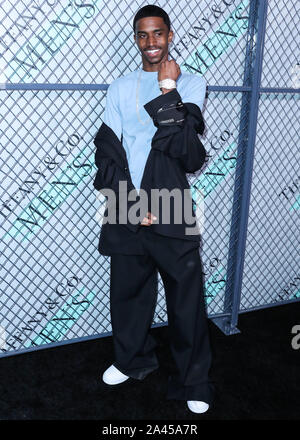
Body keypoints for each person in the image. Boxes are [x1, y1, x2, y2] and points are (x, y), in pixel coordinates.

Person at [93, 4, 214, 414]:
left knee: (186, 300)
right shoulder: (119, 88)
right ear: (136, 38)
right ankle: (131, 359)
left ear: (170, 35)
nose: (151, 43)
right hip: (129, 205)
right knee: (128, 293)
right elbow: (108, 152)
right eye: (143, 35)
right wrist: (129, 204)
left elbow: (184, 151)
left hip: (172, 204)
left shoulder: (192, 84)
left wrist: (168, 89)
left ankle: (193, 380)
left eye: (158, 34)